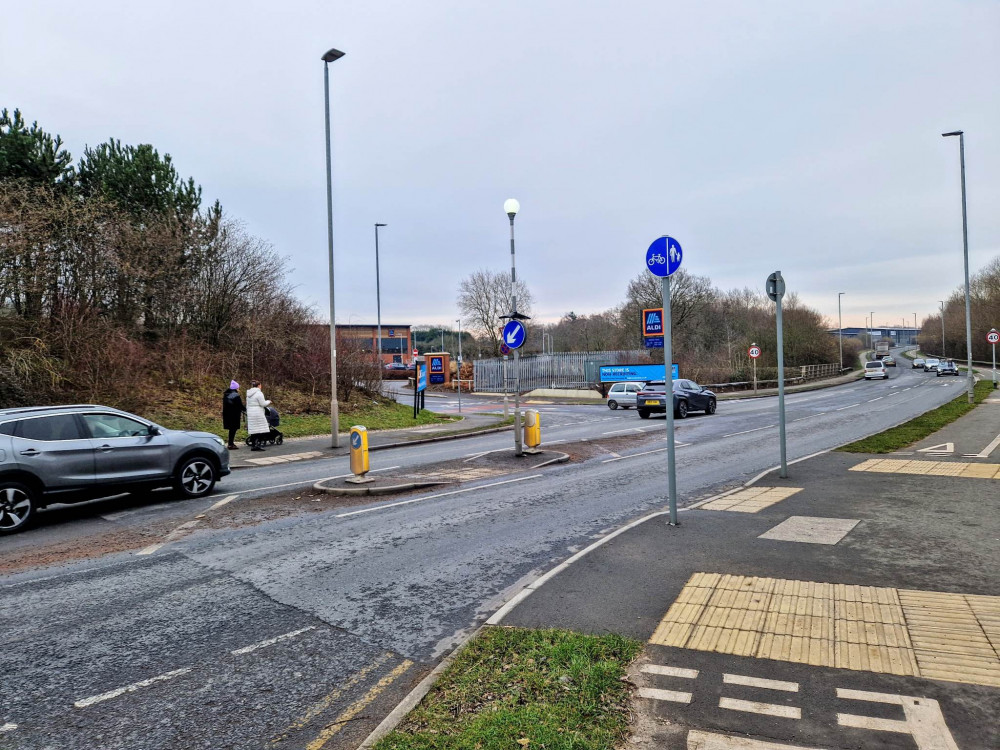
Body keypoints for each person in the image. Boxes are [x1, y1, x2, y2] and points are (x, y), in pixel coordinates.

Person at [245, 380, 272, 451]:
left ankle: (253, 445)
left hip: (250, 413)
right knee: (262, 429)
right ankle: (258, 444)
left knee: (254, 430)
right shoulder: (259, 393)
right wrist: (268, 401)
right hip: (258, 413)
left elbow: (247, 405)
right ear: (259, 385)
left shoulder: (248, 394)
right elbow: (262, 404)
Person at [222, 380, 245, 450]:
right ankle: (231, 444)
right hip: (234, 415)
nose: (239, 389)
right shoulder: (236, 395)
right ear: (235, 388)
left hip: (227, 414)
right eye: (238, 388)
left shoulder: (226, 394)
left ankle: (230, 443)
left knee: (231, 430)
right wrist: (246, 409)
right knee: (233, 429)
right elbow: (239, 405)